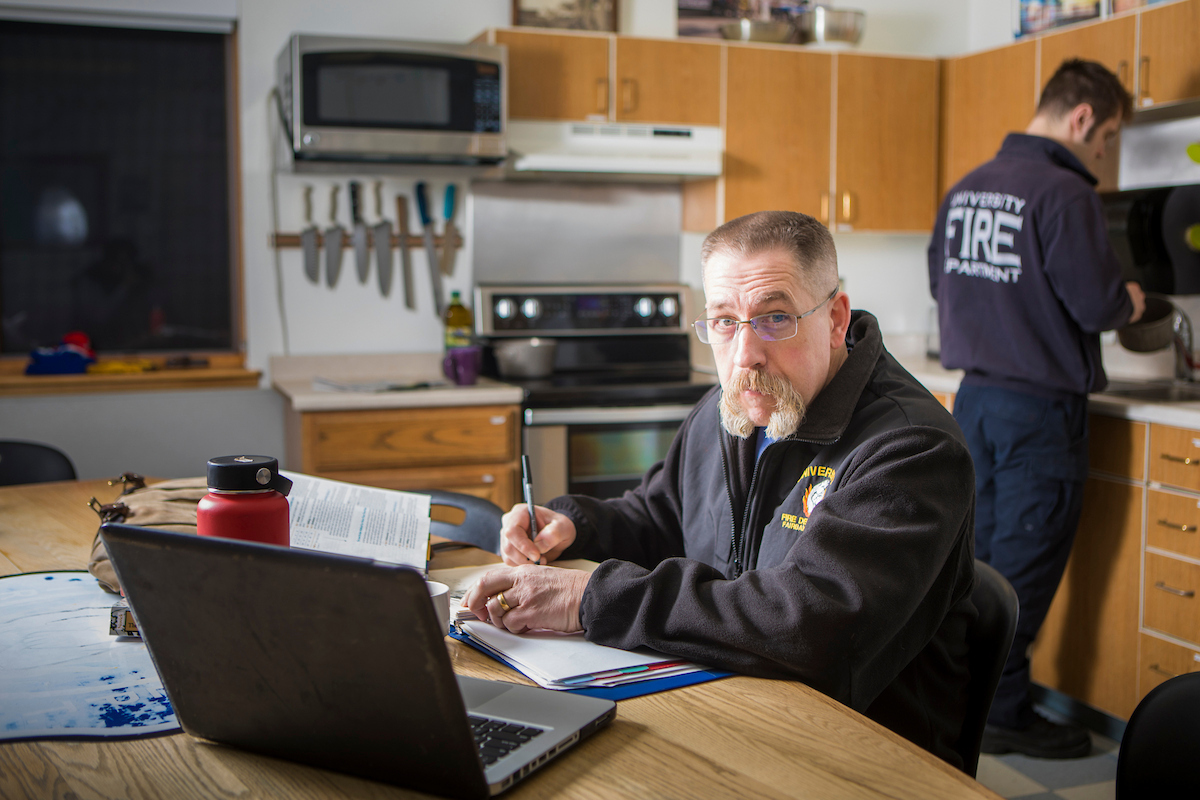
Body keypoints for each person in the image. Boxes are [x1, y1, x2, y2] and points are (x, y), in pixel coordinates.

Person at [465, 210, 978, 769]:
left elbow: (806, 626)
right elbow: (660, 516)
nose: (744, 355)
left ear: (835, 319)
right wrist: (574, 524)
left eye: (775, 317)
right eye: (724, 322)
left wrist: (589, 598)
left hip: (858, 759)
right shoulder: (730, 409)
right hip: (730, 712)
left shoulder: (913, 450)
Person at [927, 59, 1146, 759]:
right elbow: (1097, 303)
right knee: (1020, 567)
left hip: (976, 405)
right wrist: (1132, 301)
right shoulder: (1065, 194)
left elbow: (942, 280)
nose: (1103, 157)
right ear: (1083, 119)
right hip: (1039, 415)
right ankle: (1004, 711)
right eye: (1107, 137)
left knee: (977, 564)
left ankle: (962, 697)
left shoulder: (967, 188)